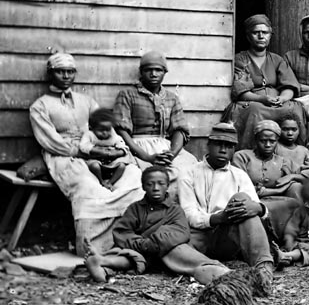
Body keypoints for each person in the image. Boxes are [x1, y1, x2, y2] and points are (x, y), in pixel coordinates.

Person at [29, 53, 143, 255]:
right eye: (60, 71)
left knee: (133, 175)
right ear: (50, 74)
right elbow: (50, 141)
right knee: (88, 186)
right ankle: (94, 248)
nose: (66, 76)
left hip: (96, 150)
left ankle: (128, 239)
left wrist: (118, 148)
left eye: (70, 71)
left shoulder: (87, 101)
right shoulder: (40, 106)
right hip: (64, 156)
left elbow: (106, 128)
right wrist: (83, 152)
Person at [85, 166, 229, 284]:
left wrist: (155, 242)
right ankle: (102, 264)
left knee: (182, 251)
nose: (155, 188)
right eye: (150, 184)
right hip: (141, 252)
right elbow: (122, 232)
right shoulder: (135, 208)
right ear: (143, 186)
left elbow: (181, 232)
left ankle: (211, 269)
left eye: (160, 184)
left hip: (166, 249)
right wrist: (142, 244)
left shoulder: (174, 209)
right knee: (129, 257)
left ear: (167, 186)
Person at [177, 123, 275, 289]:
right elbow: (189, 213)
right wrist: (218, 218)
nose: (223, 150)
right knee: (174, 247)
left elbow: (253, 207)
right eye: (218, 144)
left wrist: (259, 208)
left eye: (229, 146)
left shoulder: (239, 175)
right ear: (208, 145)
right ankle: (216, 270)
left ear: (234, 150)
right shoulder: (189, 172)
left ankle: (263, 269)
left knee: (242, 199)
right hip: (199, 238)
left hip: (227, 238)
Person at [113, 51, 197, 198]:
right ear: (141, 72)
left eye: (158, 70)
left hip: (165, 147)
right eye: (148, 70)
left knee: (188, 171)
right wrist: (146, 157)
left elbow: (179, 130)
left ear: (165, 72)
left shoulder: (171, 98)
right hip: (136, 147)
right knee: (135, 178)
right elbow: (121, 130)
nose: (153, 74)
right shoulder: (127, 95)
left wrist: (171, 154)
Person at [223, 14, 308, 150]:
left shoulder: (277, 60)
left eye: (265, 32)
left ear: (270, 35)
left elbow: (289, 86)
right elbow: (241, 92)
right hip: (253, 101)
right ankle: (251, 152)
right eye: (256, 32)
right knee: (255, 110)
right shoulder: (241, 59)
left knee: (294, 108)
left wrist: (282, 98)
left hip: (276, 101)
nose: (261, 36)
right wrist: (263, 99)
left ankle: (294, 152)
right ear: (248, 36)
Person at [231, 120, 302, 236]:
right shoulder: (242, 156)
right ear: (256, 140)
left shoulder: (282, 161)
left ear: (277, 141)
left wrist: (291, 176)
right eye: (263, 141)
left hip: (276, 200)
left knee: (296, 187)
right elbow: (239, 185)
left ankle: (292, 236)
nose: (268, 145)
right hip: (251, 200)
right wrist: (278, 190)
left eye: (272, 141)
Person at [78, 108, 135, 189]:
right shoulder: (89, 134)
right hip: (96, 159)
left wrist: (117, 152)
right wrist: (98, 151)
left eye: (108, 130)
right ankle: (101, 181)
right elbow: (83, 146)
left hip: (111, 161)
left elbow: (121, 143)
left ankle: (110, 182)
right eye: (101, 130)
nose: (105, 133)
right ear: (92, 128)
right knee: (94, 166)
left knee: (122, 166)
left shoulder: (112, 134)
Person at [275, 113, 309, 179]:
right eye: (285, 129)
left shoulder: (304, 150)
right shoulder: (275, 147)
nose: (290, 133)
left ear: (299, 130)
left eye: (294, 129)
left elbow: (308, 172)